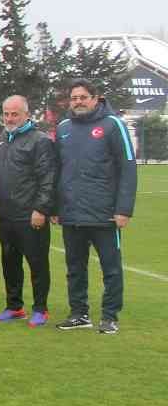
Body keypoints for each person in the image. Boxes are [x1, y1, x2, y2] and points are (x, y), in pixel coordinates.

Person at [54, 79, 137, 335]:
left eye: (83, 97)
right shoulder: (64, 127)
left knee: (110, 268)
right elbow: (58, 169)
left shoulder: (113, 125)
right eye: (74, 98)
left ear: (95, 98)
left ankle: (110, 316)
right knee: (74, 268)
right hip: (71, 213)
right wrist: (56, 207)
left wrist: (123, 209)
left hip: (104, 214)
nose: (78, 102)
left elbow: (128, 167)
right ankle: (79, 314)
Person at [0, 95, 57, 327]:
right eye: (6, 114)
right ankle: (14, 306)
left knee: (37, 262)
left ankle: (40, 308)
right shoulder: (3, 138)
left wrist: (41, 209)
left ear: (27, 115)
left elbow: (48, 178)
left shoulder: (40, 141)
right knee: (10, 262)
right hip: (5, 215)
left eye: (15, 114)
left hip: (29, 215)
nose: (10, 118)